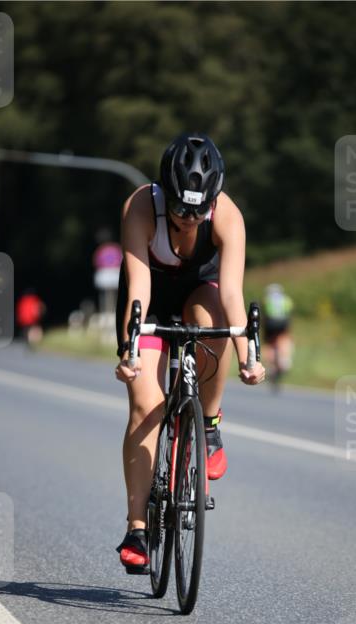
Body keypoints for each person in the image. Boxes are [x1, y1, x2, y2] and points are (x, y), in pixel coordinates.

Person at [114, 132, 265, 573]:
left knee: (214, 320)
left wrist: (249, 357)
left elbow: (234, 297)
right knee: (147, 405)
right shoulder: (141, 206)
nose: (188, 222)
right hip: (150, 297)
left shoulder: (228, 217)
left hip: (202, 289)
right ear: (166, 193)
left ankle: (210, 421)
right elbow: (138, 288)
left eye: (198, 213)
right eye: (180, 211)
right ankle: (137, 527)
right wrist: (130, 352)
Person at [262, 282, 294, 385]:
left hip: (270, 324)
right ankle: (284, 360)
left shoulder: (266, 299)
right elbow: (289, 311)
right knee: (283, 338)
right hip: (282, 323)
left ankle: (270, 366)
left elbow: (264, 313)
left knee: (269, 343)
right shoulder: (285, 299)